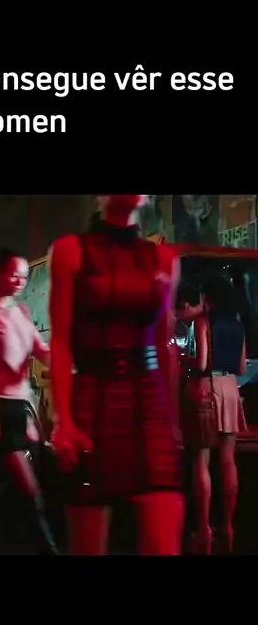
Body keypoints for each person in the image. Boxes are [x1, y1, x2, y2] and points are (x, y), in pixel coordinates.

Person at [49, 195, 184, 555]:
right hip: (92, 401)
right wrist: (63, 420)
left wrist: (172, 420)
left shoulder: (164, 259)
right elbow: (60, 340)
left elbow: (164, 344)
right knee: (87, 545)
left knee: (164, 542)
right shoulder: (70, 251)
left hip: (149, 405)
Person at [0, 247, 58, 555]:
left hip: (23, 409)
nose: (19, 282)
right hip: (0, 408)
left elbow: (40, 350)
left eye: (24, 277)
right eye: (13, 275)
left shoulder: (21, 312)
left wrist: (71, 361)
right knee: (30, 491)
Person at [183, 275, 247, 555]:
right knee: (228, 460)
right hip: (231, 388)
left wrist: (182, 358)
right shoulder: (237, 325)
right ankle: (228, 528)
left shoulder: (203, 322)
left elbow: (201, 362)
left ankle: (203, 531)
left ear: (208, 297)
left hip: (207, 388)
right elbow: (242, 367)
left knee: (201, 461)